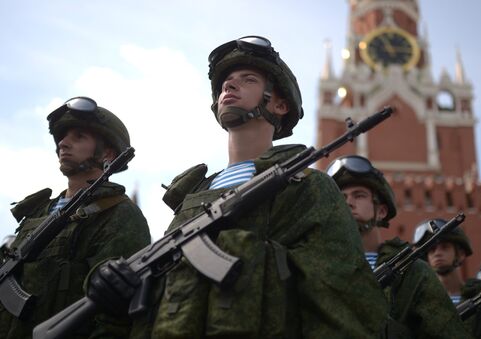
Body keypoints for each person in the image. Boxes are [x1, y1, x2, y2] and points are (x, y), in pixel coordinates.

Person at [89, 36, 388, 338]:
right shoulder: (193, 195)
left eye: (248, 80)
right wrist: (119, 289)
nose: (229, 87)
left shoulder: (308, 187)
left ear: (280, 104)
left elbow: (342, 302)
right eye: (226, 83)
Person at [0, 97, 151, 338]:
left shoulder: (120, 213)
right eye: (63, 137)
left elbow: (114, 312)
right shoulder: (37, 213)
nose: (63, 143)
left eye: (78, 136)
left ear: (108, 153)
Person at [326, 155, 472, 338]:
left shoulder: (412, 272)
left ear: (381, 211)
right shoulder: (319, 262)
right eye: (342, 197)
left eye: (359, 195)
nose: (348, 202)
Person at [416, 220, 481, 339]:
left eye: (444, 247)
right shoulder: (419, 305)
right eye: (432, 249)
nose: (437, 253)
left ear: (460, 254)